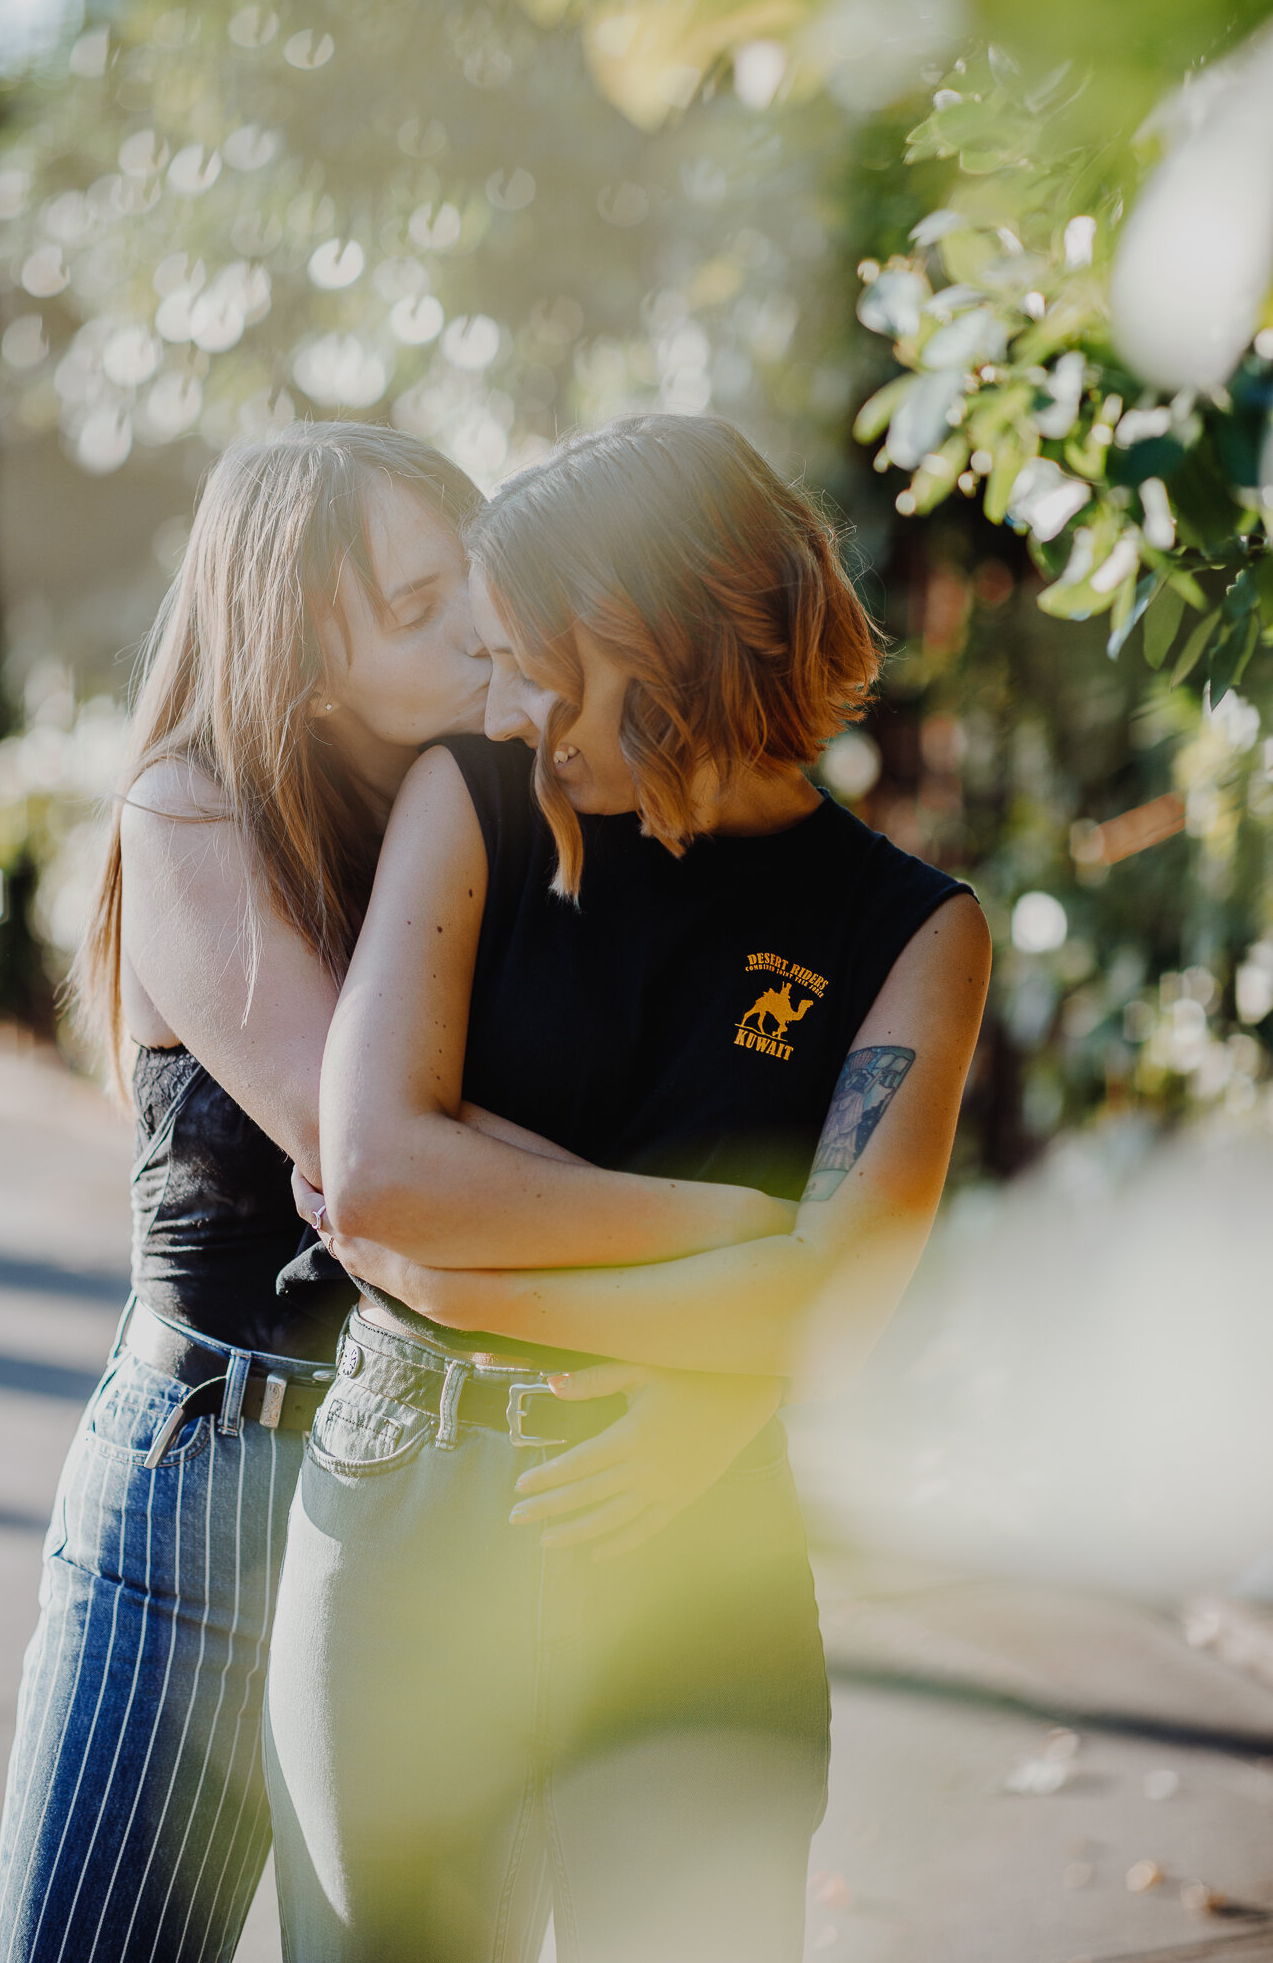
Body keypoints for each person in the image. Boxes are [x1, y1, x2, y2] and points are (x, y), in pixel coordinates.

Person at [0, 416, 792, 1963]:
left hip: (436, 1497)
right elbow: (386, 1181)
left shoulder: (531, 798)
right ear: (302, 663)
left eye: (470, 582)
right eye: (416, 611)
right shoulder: (193, 816)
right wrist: (749, 1249)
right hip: (211, 1491)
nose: (476, 629)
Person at [266, 413, 992, 1962]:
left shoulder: (914, 932)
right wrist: (740, 1248)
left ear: (653, 640)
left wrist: (468, 1275)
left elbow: (845, 1308)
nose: (511, 708)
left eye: (540, 665)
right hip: (409, 1509)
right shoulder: (466, 802)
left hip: (693, 1548)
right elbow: (383, 1171)